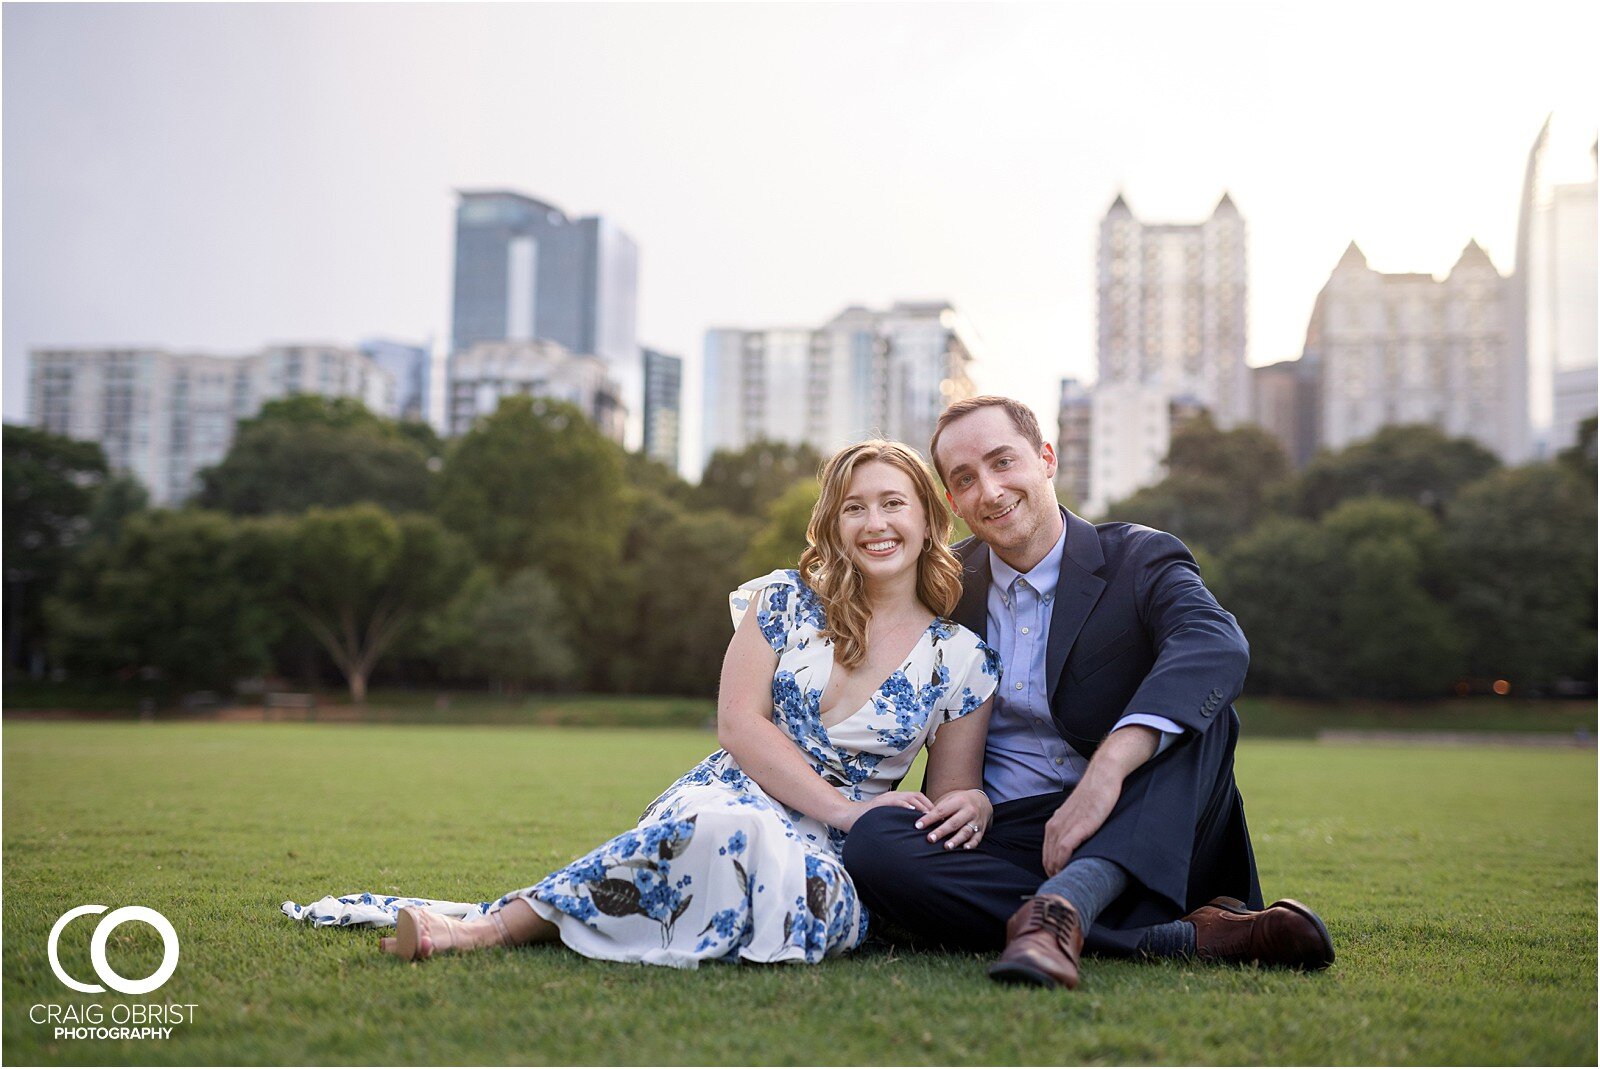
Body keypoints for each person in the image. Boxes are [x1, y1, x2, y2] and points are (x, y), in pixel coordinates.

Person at [282, 440, 1000, 968]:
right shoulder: (781, 600)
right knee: (730, 829)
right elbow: (737, 721)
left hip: (838, 851)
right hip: (732, 793)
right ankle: (487, 929)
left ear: (929, 518)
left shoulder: (961, 661)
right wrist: (839, 804)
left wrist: (976, 805)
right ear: (834, 522)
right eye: (855, 507)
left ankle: (621, 912)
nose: (875, 522)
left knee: (789, 891)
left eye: (892, 503)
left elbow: (952, 797)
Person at [842, 396, 1333, 989]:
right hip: (1011, 832)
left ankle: (1066, 905)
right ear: (952, 501)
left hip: (1147, 818)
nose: (991, 491)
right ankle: (1180, 936)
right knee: (875, 844)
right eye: (965, 479)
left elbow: (1216, 643)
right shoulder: (944, 583)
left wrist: (1109, 768)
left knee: (1206, 715)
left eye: (1004, 463)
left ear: (1046, 459)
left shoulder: (1140, 557)